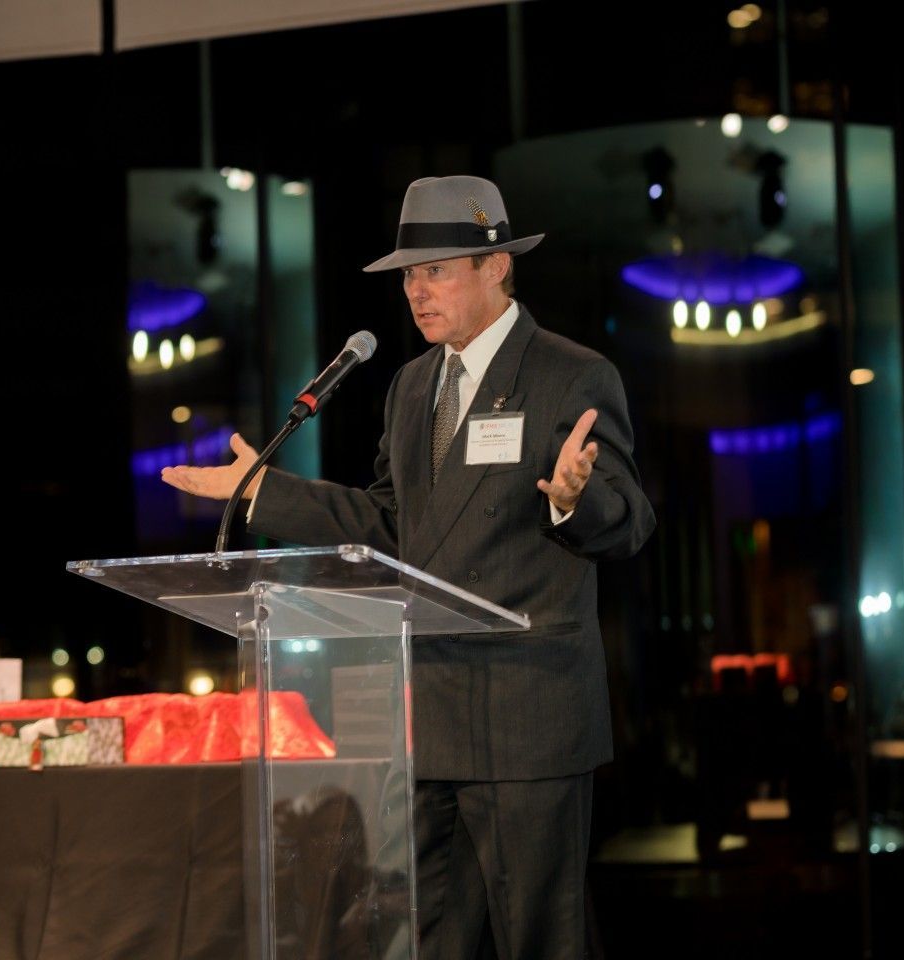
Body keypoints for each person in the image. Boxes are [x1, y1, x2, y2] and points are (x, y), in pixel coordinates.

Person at [162, 175, 654, 959]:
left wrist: (573, 499)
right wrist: (262, 491)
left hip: (528, 720)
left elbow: (630, 521)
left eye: (437, 270)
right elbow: (389, 523)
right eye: (409, 276)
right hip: (427, 719)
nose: (417, 292)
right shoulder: (412, 385)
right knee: (426, 940)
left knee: (543, 940)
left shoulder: (571, 374)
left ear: (496, 266)